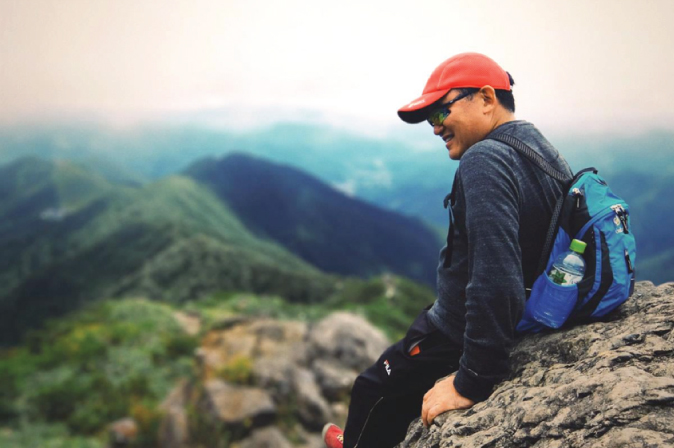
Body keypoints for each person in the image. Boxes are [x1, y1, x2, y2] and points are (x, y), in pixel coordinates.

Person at [322, 52, 572, 448]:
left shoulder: (484, 159)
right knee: (398, 402)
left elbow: (495, 277)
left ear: (487, 98)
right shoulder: (536, 144)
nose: (435, 128)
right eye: (429, 119)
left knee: (372, 389)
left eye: (441, 112)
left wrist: (472, 379)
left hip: (453, 334)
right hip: (526, 314)